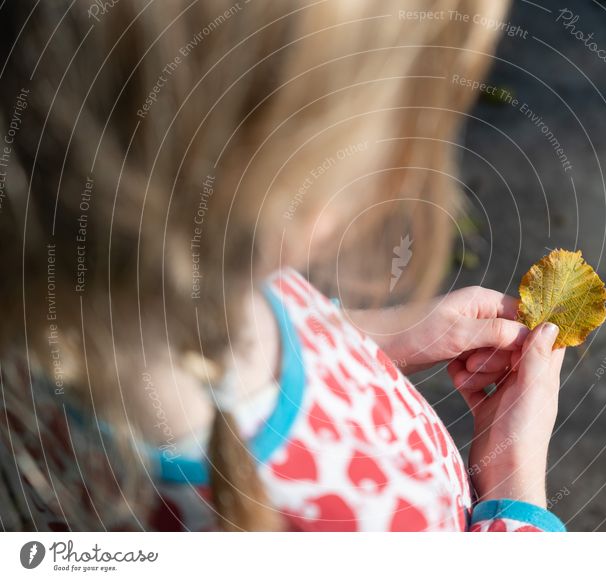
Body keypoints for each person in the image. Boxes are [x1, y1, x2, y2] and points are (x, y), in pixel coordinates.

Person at [0, 0, 566, 532]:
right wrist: (513, 485)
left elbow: (268, 343)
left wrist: (390, 336)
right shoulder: (335, 526)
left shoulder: (151, 294)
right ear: (308, 205)